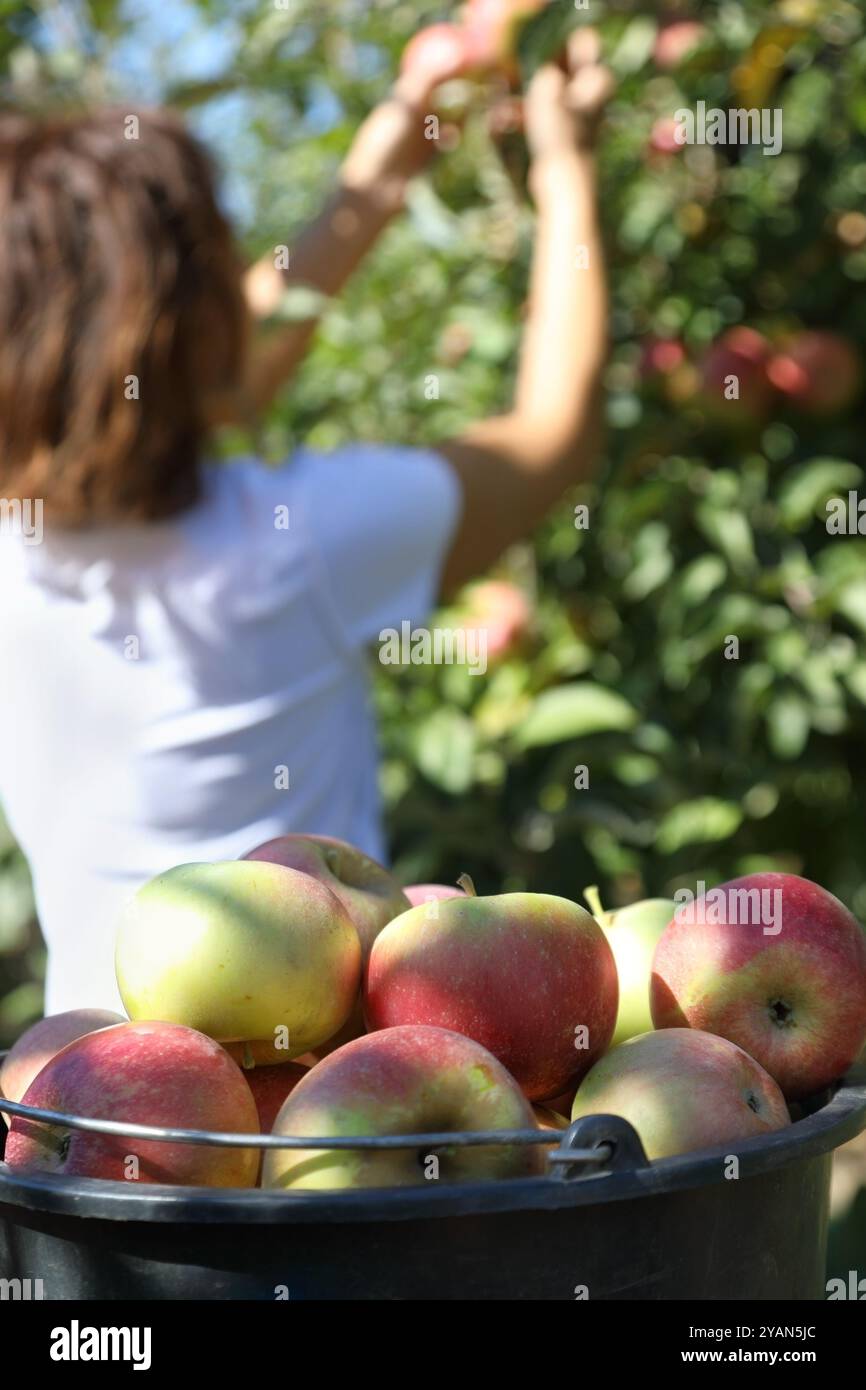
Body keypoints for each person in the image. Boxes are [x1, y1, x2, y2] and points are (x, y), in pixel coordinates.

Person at [0, 33, 612, 1014]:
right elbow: (554, 433)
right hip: (305, 1108)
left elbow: (186, 378)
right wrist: (567, 167)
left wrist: (403, 135)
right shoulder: (297, 543)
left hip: (85, 1105)